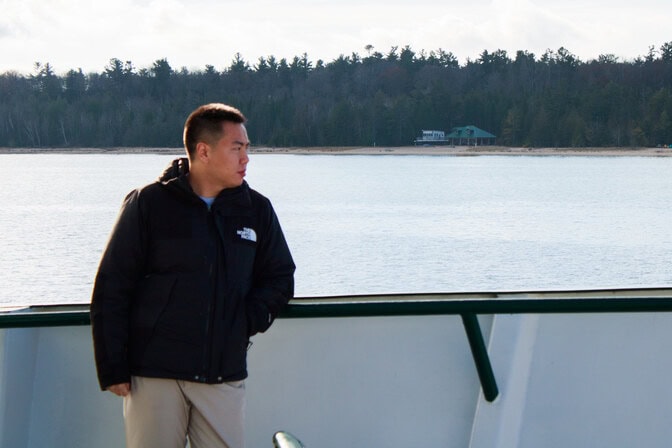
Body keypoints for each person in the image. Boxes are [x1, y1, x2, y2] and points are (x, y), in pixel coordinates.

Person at [91, 103, 295, 448]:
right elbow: (113, 285)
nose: (246, 159)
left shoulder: (256, 209)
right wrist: (113, 367)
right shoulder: (148, 204)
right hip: (154, 374)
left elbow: (279, 276)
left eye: (247, 149)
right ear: (203, 150)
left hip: (221, 374)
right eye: (237, 148)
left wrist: (244, 320)